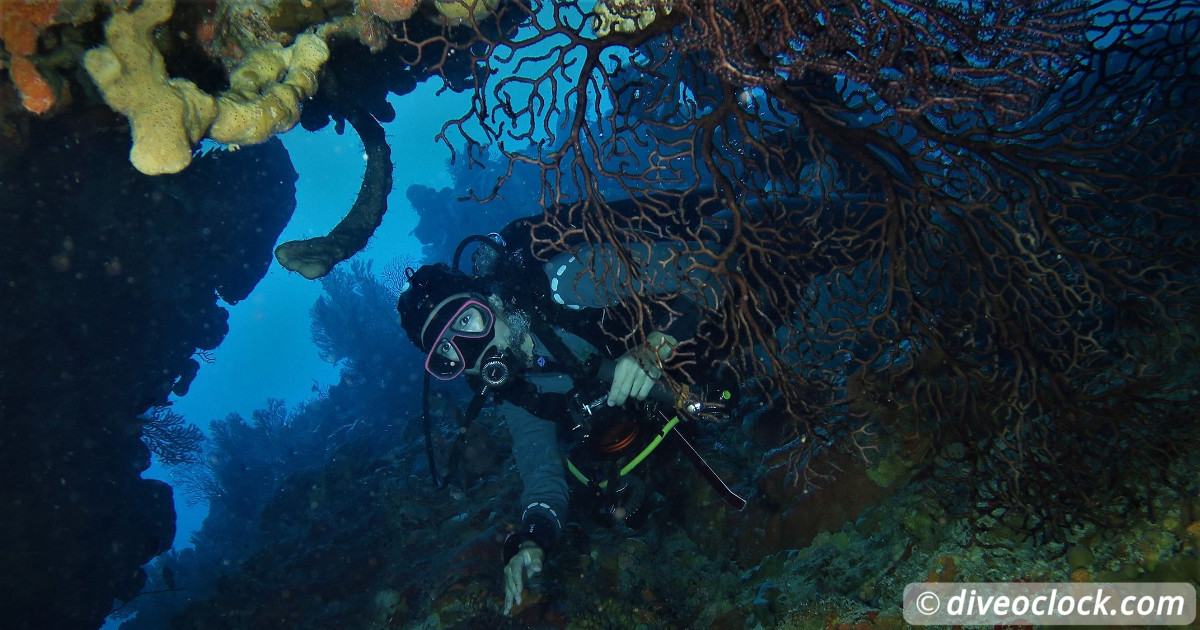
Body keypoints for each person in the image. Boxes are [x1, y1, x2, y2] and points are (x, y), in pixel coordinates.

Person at [395, 214, 721, 615]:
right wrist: (532, 539)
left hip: (734, 300)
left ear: (490, 300)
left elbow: (706, 266)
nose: (471, 349)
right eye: (448, 351)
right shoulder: (518, 392)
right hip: (706, 373)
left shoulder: (565, 283)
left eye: (467, 321)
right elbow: (541, 476)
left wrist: (656, 347)